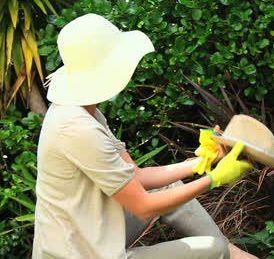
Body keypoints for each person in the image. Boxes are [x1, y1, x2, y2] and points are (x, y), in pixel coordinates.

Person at [32, 13, 257, 259]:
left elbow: (136, 176)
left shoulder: (85, 111)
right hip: (80, 254)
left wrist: (201, 161)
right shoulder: (76, 128)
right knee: (214, 251)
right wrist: (213, 179)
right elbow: (144, 207)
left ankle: (235, 254)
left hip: (94, 231)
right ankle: (229, 254)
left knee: (170, 186)